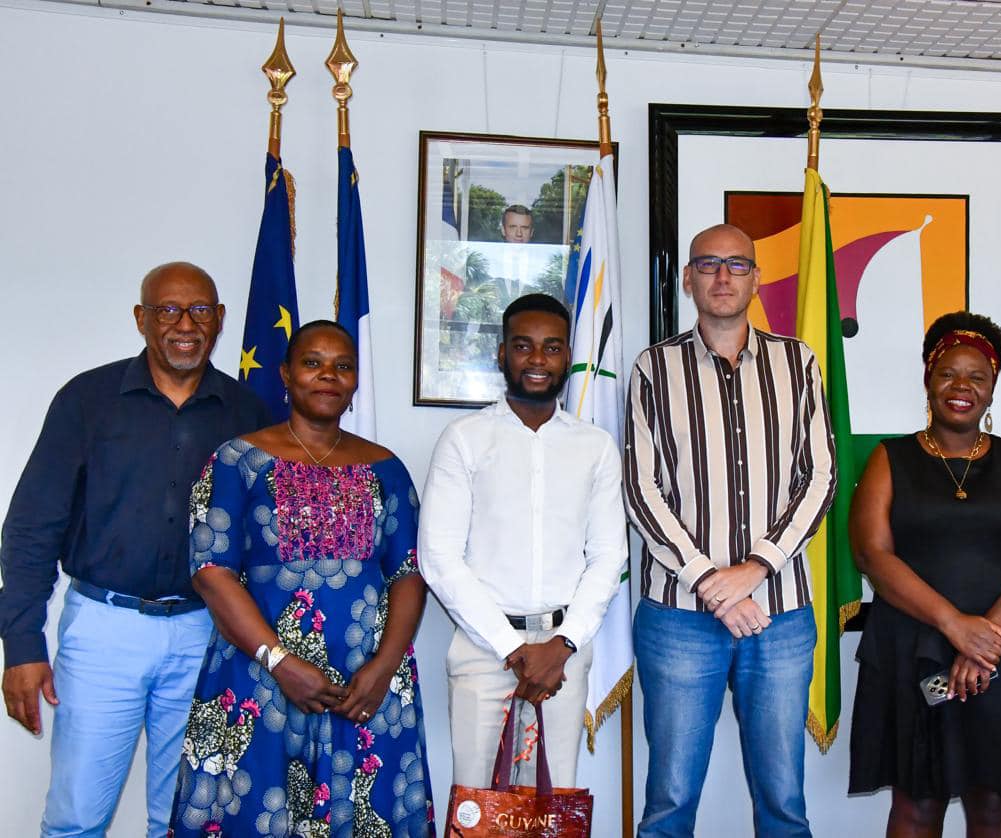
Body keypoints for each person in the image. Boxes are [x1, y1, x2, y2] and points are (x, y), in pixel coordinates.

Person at [0, 262, 271, 837]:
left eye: (200, 310)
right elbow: (31, 527)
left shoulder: (248, 413)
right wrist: (21, 645)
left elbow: (266, 542)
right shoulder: (87, 400)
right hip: (104, 631)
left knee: (184, 820)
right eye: (167, 310)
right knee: (76, 819)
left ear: (220, 319)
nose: (185, 324)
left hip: (205, 634)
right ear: (141, 318)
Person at [167, 320, 435, 837]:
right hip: (259, 677)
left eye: (342, 366)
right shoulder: (235, 461)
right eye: (313, 363)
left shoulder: (387, 469)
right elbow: (211, 573)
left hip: (367, 686)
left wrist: (384, 668)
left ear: (355, 381)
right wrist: (281, 663)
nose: (328, 376)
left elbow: (409, 573)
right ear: (286, 375)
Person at [624, 224, 835, 837]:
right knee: (669, 802)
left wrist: (755, 567)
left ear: (756, 278)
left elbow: (821, 477)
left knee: (783, 803)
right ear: (687, 279)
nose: (723, 276)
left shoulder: (798, 363)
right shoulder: (654, 368)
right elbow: (640, 488)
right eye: (709, 264)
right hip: (678, 616)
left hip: (780, 614)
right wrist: (709, 581)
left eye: (737, 264)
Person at [846, 311, 1001, 836]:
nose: (961, 387)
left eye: (977, 376)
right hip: (917, 646)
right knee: (917, 803)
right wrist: (955, 626)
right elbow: (872, 555)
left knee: (995, 803)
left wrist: (984, 640)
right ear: (929, 379)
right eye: (948, 373)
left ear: (992, 388)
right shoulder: (890, 458)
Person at [419, 293, 626, 787]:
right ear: (502, 354)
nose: (537, 359)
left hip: (563, 654)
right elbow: (439, 557)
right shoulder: (464, 438)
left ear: (567, 356)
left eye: (551, 347)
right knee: (477, 805)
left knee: (551, 805)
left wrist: (563, 643)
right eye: (523, 346)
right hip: (484, 650)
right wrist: (512, 648)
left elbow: (608, 556)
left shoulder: (595, 447)